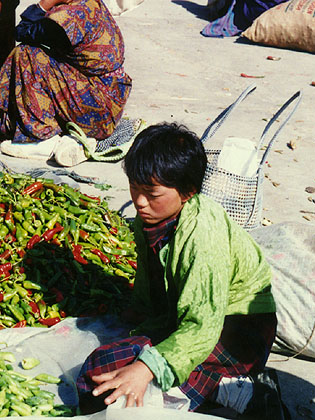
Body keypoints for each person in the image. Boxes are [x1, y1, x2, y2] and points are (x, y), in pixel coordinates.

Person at [75, 123, 285, 418]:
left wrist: (146, 367)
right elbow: (149, 277)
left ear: (188, 192)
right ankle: (211, 387)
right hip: (190, 317)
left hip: (238, 330)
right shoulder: (149, 218)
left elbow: (203, 325)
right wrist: (139, 317)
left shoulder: (203, 235)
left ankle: (244, 392)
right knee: (103, 371)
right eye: (134, 187)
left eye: (152, 193)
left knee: (116, 382)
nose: (139, 201)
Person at [0, 0, 132, 151]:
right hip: (111, 101)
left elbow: (21, 31)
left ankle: (40, 136)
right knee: (41, 57)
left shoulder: (68, 17)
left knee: (26, 54)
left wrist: (44, 5)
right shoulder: (90, 3)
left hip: (98, 110)